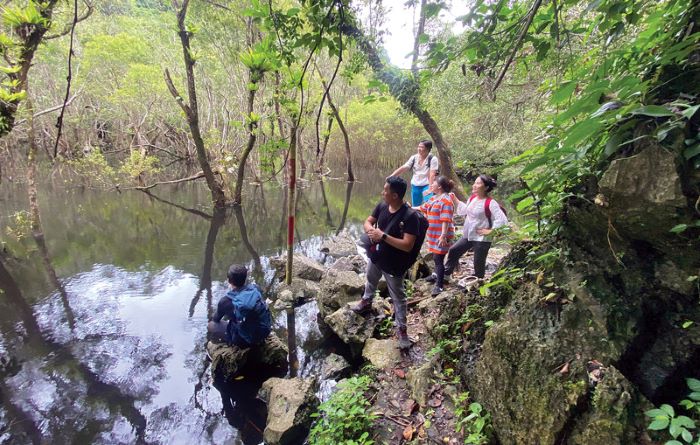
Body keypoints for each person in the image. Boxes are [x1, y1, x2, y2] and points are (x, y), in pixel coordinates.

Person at [351, 176, 420, 350]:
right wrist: (372, 231)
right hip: (377, 255)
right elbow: (368, 221)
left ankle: (402, 330)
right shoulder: (382, 205)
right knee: (370, 278)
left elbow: (407, 246)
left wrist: (383, 236)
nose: (383, 192)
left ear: (395, 195)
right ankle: (367, 301)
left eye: (386, 190)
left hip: (395, 263)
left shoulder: (410, 216)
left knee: (398, 296)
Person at [440, 174, 508, 282]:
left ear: (486, 187)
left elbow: (502, 220)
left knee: (478, 263)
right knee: (454, 251)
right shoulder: (472, 198)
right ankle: (446, 275)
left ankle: (476, 284)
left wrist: (491, 230)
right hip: (469, 235)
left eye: (478, 183)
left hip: (482, 238)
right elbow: (466, 211)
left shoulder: (490, 203)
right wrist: (455, 200)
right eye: (475, 183)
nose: (474, 185)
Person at [208, 264, 272, 347]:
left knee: (211, 325)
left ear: (228, 280)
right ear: (245, 278)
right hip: (264, 333)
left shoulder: (225, 301)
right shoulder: (256, 288)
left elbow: (216, 319)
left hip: (243, 341)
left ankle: (228, 343)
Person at [418, 176, 455, 296]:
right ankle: (436, 275)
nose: (431, 184)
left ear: (439, 186)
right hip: (434, 234)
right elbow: (422, 208)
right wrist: (407, 207)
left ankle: (439, 286)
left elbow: (446, 219)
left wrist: (443, 235)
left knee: (438, 258)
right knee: (435, 257)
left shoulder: (446, 201)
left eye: (433, 182)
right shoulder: (434, 198)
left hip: (442, 235)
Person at [389, 140, 439, 207]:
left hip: (427, 184)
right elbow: (404, 167)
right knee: (415, 206)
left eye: (422, 147)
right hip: (415, 184)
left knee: (429, 205)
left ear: (428, 149)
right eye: (418, 147)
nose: (419, 149)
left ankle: (429, 217)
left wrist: (430, 188)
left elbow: (432, 174)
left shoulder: (432, 159)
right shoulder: (414, 158)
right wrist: (392, 176)